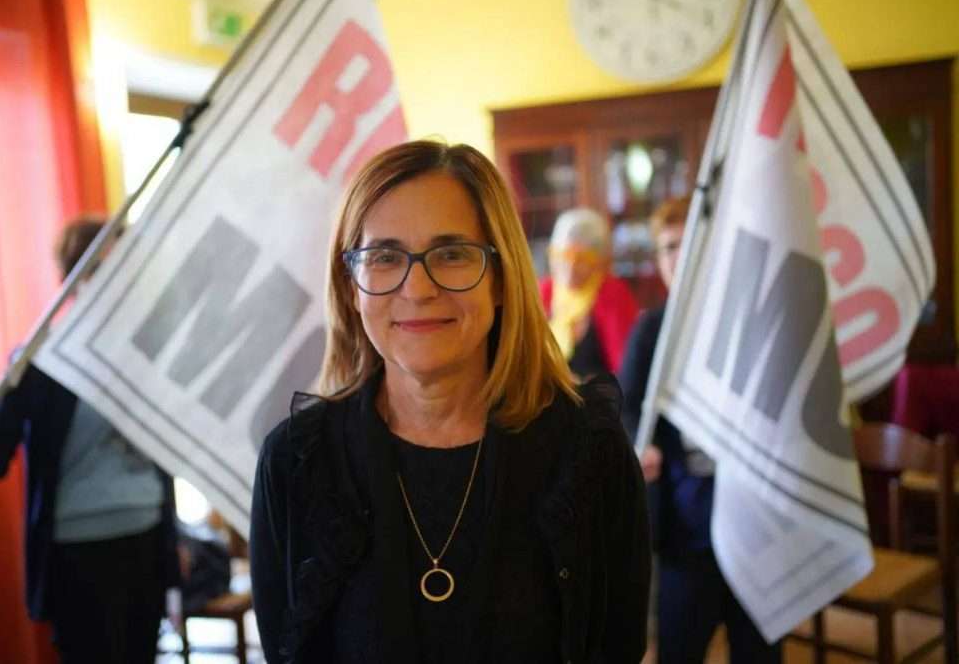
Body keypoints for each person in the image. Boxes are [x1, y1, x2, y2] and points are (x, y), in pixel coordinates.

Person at [250, 140, 650, 663]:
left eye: (452, 254)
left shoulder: (589, 454)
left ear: (502, 278)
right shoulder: (296, 463)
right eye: (384, 256)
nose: (418, 289)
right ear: (351, 287)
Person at [0, 217, 180, 664]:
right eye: (99, 268)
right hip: (77, 550)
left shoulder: (149, 352)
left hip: (145, 538)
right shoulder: (40, 358)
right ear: (74, 277)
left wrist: (176, 542)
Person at [618, 196, 781, 663]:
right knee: (678, 649)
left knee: (759, 653)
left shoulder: (751, 322)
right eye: (668, 247)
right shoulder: (651, 330)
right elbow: (626, 408)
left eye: (689, 243)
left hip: (752, 526)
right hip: (684, 528)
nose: (679, 256)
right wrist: (642, 442)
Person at [539, 207, 639, 378]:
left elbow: (626, 371)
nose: (570, 267)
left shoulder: (612, 293)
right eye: (563, 255)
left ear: (599, 262)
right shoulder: (544, 291)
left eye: (582, 259)